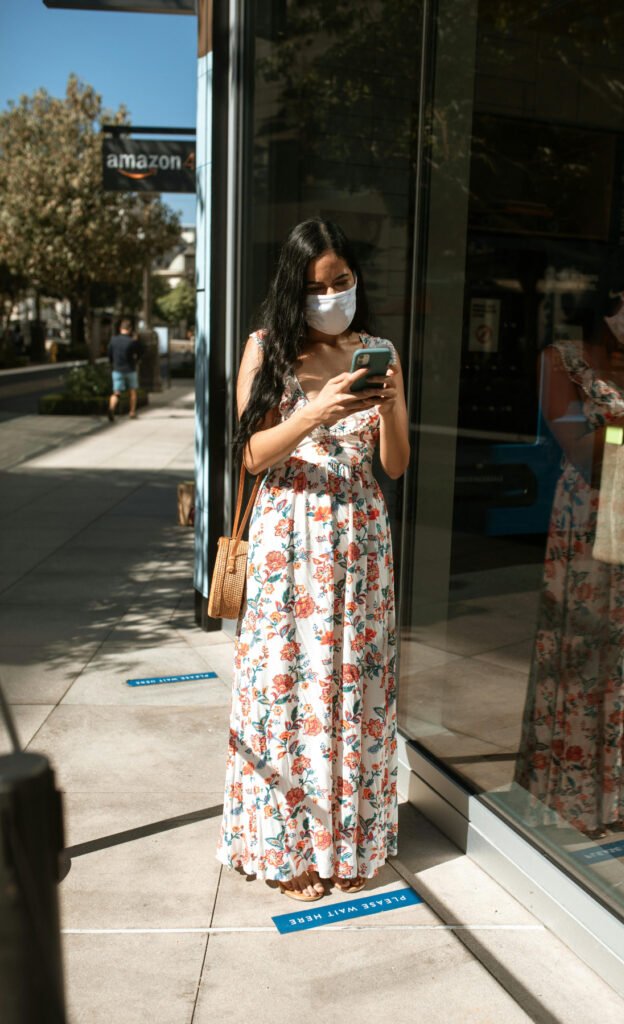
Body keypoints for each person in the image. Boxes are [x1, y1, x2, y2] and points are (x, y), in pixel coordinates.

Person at [216, 219, 410, 901]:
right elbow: (250, 456)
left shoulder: (377, 350)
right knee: (285, 688)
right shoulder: (264, 347)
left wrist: (385, 409)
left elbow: (394, 464)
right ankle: (289, 846)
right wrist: (315, 412)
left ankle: (347, 840)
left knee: (352, 689)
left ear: (357, 278)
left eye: (341, 282)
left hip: (359, 536)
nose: (330, 296)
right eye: (315, 287)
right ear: (292, 289)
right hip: (288, 536)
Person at [515, 246, 624, 841]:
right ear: (607, 296)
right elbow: (583, 453)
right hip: (590, 513)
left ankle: (620, 790)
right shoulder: (561, 360)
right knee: (586, 655)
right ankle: (572, 790)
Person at [107, 318, 142, 421]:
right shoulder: (132, 341)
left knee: (116, 392)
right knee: (133, 391)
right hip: (130, 369)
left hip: (117, 369)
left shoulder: (113, 340)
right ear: (130, 329)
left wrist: (112, 362)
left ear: (120, 328)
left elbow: (109, 354)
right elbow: (140, 352)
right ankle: (132, 412)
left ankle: (111, 408)